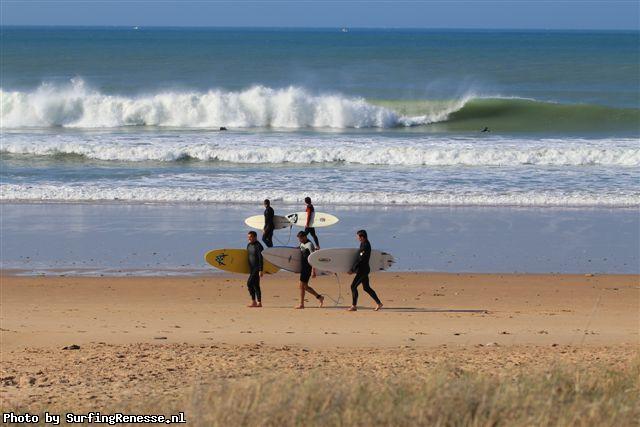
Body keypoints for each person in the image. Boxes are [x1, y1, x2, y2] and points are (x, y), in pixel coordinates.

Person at [347, 230, 382, 312]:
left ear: (362, 237)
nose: (357, 238)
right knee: (366, 288)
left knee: (353, 286)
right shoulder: (363, 243)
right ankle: (379, 303)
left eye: (358, 237)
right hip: (364, 269)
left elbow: (360, 259)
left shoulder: (365, 245)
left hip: (363, 270)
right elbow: (360, 258)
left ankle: (354, 306)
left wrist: (352, 269)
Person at [295, 231, 324, 309]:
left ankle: (301, 304)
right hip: (303, 267)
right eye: (299, 239)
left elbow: (313, 258)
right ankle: (319, 297)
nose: (299, 240)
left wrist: (313, 271)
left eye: (300, 239)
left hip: (307, 267)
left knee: (301, 286)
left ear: (305, 237)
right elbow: (300, 251)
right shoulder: (302, 244)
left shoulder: (310, 245)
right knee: (305, 287)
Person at [246, 231, 264, 308]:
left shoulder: (259, 246)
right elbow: (248, 256)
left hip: (256, 268)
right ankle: (258, 302)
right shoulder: (249, 245)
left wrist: (261, 270)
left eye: (250, 237)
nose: (248, 238)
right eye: (248, 237)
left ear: (255, 237)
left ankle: (254, 301)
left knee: (249, 283)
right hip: (251, 268)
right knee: (256, 285)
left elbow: (261, 258)